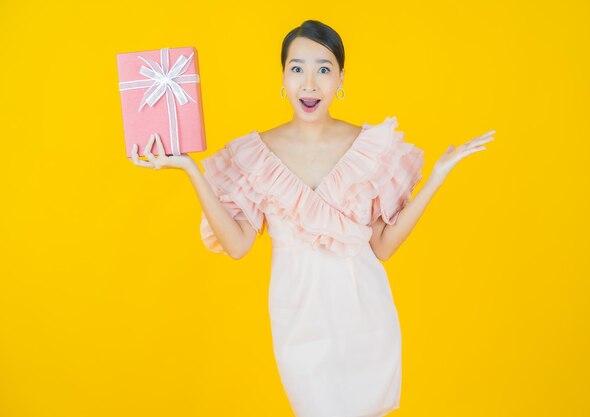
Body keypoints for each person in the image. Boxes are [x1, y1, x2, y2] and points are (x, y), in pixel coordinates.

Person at [130, 19, 495, 417]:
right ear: (282, 78)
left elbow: (384, 247)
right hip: (299, 319)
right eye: (297, 68)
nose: (309, 84)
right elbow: (237, 246)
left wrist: (437, 177)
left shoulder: (369, 146)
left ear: (341, 79)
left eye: (324, 69)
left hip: (366, 319)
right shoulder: (254, 154)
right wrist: (190, 170)